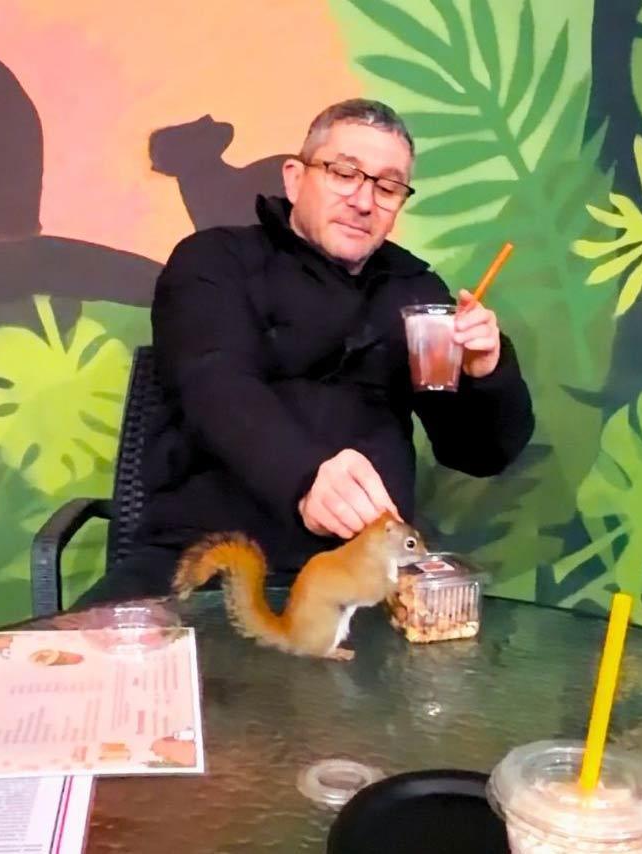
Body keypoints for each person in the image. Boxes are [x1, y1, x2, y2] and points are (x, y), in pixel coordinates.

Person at [76, 98, 534, 605]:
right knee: (71, 652)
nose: (364, 201)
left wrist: (487, 373)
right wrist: (306, 477)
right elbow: (214, 382)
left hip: (362, 578)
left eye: (387, 187)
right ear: (295, 179)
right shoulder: (214, 261)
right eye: (345, 174)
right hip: (199, 562)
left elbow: (478, 452)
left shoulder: (414, 291)